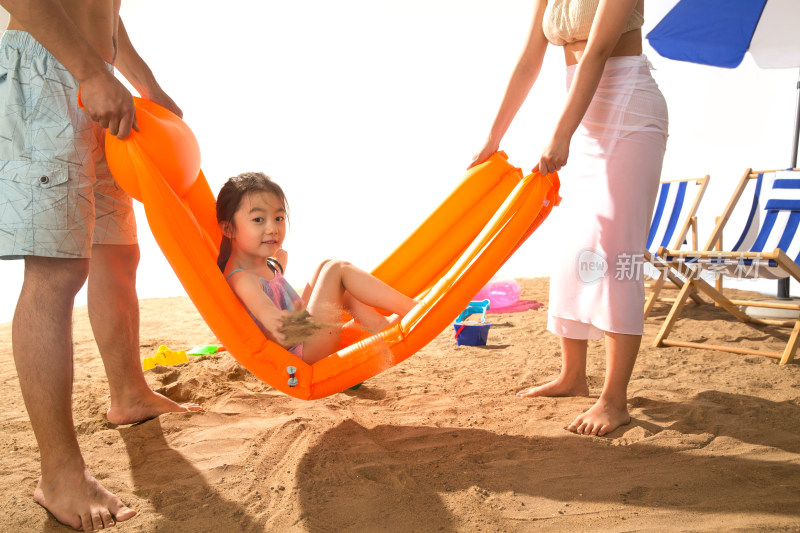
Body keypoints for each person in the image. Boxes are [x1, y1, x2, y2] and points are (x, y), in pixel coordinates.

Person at [0, 1, 201, 530]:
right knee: (57, 270)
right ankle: (59, 475)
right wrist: (91, 71)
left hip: (97, 79)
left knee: (118, 251)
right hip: (46, 69)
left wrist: (144, 81)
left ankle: (129, 393)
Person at [470, 0, 668, 437]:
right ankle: (573, 376)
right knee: (573, 245)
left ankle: (615, 400)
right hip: (586, 113)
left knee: (616, 253)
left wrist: (562, 133)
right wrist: (493, 137)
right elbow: (528, 61)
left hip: (629, 109)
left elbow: (597, 51)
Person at [216, 172, 418, 364]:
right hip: (302, 352)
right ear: (228, 228)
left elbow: (270, 292)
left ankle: (379, 324)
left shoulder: (254, 265)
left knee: (324, 267)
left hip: (302, 338)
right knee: (335, 271)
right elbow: (269, 315)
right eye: (258, 220)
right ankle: (415, 311)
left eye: (278, 218)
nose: (272, 229)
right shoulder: (242, 279)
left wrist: (278, 266)